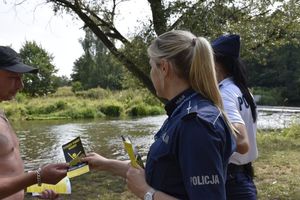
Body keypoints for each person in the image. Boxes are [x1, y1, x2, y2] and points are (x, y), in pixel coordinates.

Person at [82, 30, 237, 199]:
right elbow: (163, 170)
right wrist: (103, 164)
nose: (150, 73)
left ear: (164, 67)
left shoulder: (196, 124)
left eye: (151, 66)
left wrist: (146, 193)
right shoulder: (182, 112)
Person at [0, 46, 69, 200]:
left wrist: (37, 192)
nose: (21, 86)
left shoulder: (1, 113)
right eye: (13, 78)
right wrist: (37, 177)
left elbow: (8, 171)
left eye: (21, 78)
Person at [212, 34, 258, 200]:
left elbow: (241, 142)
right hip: (242, 176)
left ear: (217, 63)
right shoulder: (241, 90)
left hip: (231, 180)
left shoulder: (224, 94)